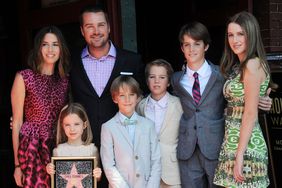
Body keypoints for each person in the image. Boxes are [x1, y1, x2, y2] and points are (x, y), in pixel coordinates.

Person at [170, 21, 273, 188]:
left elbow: (246, 103)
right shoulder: (175, 80)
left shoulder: (223, 75)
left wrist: (263, 102)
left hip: (218, 147)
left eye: (197, 44)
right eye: (187, 45)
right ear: (181, 48)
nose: (191, 49)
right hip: (189, 150)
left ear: (206, 46)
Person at [70, 4, 145, 150]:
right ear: (82, 30)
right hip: (84, 146)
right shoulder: (71, 64)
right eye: (89, 26)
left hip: (125, 146)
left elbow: (145, 101)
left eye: (101, 25)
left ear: (109, 28)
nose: (96, 31)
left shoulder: (132, 61)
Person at [213, 11, 274, 187]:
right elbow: (242, 103)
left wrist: (240, 154)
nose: (235, 40)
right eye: (231, 35)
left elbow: (249, 113)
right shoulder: (239, 66)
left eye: (241, 34)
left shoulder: (252, 64)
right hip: (232, 142)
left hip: (245, 147)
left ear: (251, 35)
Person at [11, 25, 70, 187]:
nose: (50, 49)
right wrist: (17, 166)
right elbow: (16, 123)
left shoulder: (66, 80)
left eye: (55, 44)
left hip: (59, 146)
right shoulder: (24, 77)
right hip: (32, 149)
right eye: (45, 44)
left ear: (61, 49)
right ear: (38, 48)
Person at [100, 75, 161, 188]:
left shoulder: (149, 125)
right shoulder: (108, 127)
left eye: (131, 95)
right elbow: (108, 164)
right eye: (122, 95)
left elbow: (156, 160)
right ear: (114, 98)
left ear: (137, 97)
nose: (127, 100)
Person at [136, 59, 182, 188]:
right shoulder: (140, 106)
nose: (157, 81)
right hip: (147, 171)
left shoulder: (179, 105)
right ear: (147, 81)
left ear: (168, 82)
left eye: (162, 77)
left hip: (172, 170)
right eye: (152, 77)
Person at [46, 103, 102, 183]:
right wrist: (50, 171)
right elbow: (57, 180)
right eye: (67, 125)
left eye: (76, 124)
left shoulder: (92, 150)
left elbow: (96, 180)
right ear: (62, 126)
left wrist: (98, 174)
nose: (72, 129)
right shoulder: (58, 151)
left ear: (84, 125)